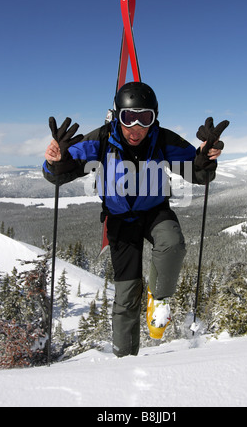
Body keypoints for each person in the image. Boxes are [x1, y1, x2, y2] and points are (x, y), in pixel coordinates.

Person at [43, 81, 226, 357]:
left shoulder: (162, 139)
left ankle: (159, 298)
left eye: (145, 118)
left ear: (154, 117)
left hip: (155, 211)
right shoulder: (103, 138)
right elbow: (64, 169)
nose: (136, 127)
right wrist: (55, 161)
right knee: (127, 294)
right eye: (129, 118)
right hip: (119, 219)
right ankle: (124, 359)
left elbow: (197, 171)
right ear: (117, 116)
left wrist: (205, 159)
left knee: (172, 242)